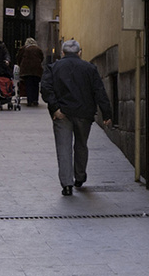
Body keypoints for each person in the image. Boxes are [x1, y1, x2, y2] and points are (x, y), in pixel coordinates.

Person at [39, 39, 113, 196]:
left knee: (63, 148)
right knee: (81, 145)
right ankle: (79, 177)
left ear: (62, 53)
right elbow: (99, 91)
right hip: (84, 114)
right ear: (80, 53)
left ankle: (67, 184)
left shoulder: (53, 67)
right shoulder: (90, 68)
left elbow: (45, 88)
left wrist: (55, 108)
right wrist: (107, 114)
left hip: (62, 113)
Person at [17, 38, 45, 106]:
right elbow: (42, 58)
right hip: (37, 70)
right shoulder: (38, 49)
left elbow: (18, 57)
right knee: (36, 85)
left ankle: (30, 100)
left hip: (26, 70)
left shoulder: (23, 49)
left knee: (28, 85)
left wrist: (20, 65)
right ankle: (35, 100)